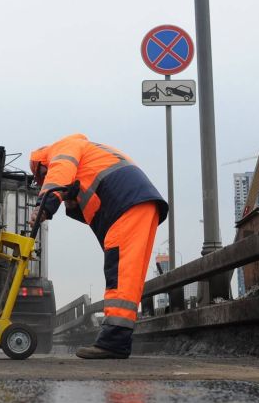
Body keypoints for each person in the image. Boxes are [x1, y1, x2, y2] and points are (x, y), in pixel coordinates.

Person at [29, 133, 168, 359]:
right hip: (138, 204)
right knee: (127, 277)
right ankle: (118, 341)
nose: (43, 183)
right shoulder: (88, 156)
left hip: (126, 204)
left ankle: (113, 343)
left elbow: (59, 173)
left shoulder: (61, 149)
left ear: (42, 166)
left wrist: (45, 205)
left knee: (120, 276)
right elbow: (80, 198)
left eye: (42, 179)